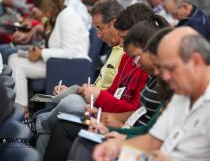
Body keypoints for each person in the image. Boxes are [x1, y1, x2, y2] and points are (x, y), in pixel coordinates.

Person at [93, 26, 210, 161]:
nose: (164, 76)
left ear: (196, 61)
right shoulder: (183, 91)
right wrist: (116, 146)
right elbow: (153, 141)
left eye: (170, 68)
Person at [42, 20, 173, 161]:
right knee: (61, 127)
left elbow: (145, 127)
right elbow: (144, 125)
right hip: (122, 124)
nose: (122, 44)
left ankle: (40, 123)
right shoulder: (135, 63)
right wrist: (107, 121)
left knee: (71, 115)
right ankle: (41, 124)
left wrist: (119, 130)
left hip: (131, 134)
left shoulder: (159, 79)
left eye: (124, 38)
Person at [8, 0, 90, 111]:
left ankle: (21, 109)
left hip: (68, 65)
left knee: (16, 63)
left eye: (42, 10)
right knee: (14, 57)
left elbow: (70, 52)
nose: (42, 14)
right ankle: (19, 106)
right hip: (57, 62)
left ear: (48, 7)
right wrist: (39, 51)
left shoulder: (67, 17)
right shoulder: (61, 15)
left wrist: (41, 53)